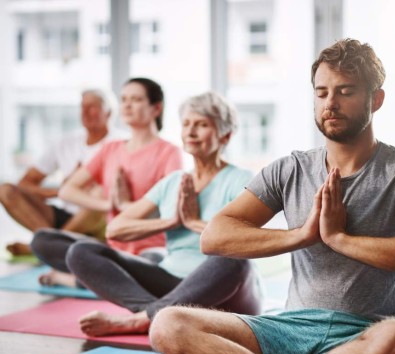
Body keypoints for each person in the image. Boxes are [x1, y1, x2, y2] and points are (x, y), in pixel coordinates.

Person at [148, 39, 395, 354]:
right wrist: (302, 235)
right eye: (322, 92)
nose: (331, 103)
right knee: (168, 325)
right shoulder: (290, 169)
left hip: (368, 334)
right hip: (286, 329)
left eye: (345, 91)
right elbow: (215, 236)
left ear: (376, 99)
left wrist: (342, 239)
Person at [65, 91, 262, 337]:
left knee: (233, 259)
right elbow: (115, 228)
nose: (190, 132)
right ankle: (152, 314)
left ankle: (145, 318)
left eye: (201, 125)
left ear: (226, 135)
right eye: (186, 124)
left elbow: (246, 240)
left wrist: (192, 222)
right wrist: (169, 222)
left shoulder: (241, 179)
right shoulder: (173, 182)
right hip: (172, 284)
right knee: (81, 251)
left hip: (225, 293)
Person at [31, 77, 183, 288]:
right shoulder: (110, 149)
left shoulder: (169, 152)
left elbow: (170, 209)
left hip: (150, 251)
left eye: (136, 99)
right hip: (112, 247)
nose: (127, 105)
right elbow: (67, 190)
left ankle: (73, 279)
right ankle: (106, 276)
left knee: (152, 266)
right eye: (124, 99)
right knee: (42, 240)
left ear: (156, 108)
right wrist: (109, 205)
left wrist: (125, 206)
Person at [0, 89, 114, 256]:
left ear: (108, 112)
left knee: (99, 194)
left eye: (92, 107)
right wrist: (61, 191)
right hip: (66, 214)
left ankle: (44, 248)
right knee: (5, 190)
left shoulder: (118, 143)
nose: (85, 112)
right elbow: (26, 183)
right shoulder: (66, 142)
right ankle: (55, 246)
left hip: (99, 217)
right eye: (82, 107)